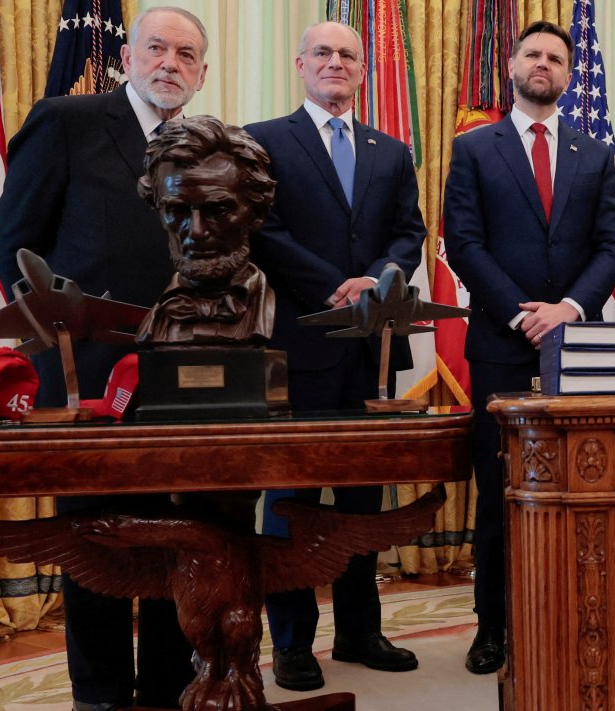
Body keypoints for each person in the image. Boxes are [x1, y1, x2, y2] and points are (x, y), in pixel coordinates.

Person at [0, 7, 209, 709]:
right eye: (157, 48)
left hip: (184, 373)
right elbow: (14, 244)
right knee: (97, 538)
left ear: (202, 73)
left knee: (179, 530)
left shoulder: (207, 146)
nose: (170, 63)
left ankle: (169, 686)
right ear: (129, 57)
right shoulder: (67, 121)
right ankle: (102, 692)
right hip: (83, 374)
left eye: (186, 54)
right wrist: (55, 335)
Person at [244, 21, 427, 690]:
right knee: (290, 497)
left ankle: (358, 630)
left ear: (362, 71)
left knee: (361, 500)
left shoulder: (391, 151)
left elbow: (409, 233)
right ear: (300, 64)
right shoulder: (263, 140)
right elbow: (262, 230)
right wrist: (333, 284)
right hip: (297, 345)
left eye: (348, 54)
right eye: (322, 52)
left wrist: (375, 278)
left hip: (372, 348)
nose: (335, 62)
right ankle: (292, 642)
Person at [443, 20, 615, 675]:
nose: (543, 63)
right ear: (513, 66)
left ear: (569, 75)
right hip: (501, 342)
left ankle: (579, 618)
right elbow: (464, 243)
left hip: (576, 347)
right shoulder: (474, 148)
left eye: (555, 57)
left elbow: (613, 245)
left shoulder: (593, 154)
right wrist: (523, 313)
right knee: (499, 493)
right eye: (533, 54)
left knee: (582, 486)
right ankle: (492, 628)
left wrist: (569, 309)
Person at [137, 116, 276, 347]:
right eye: (177, 210)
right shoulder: (159, 315)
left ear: (256, 213)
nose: (197, 231)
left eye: (218, 210)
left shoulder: (278, 314)